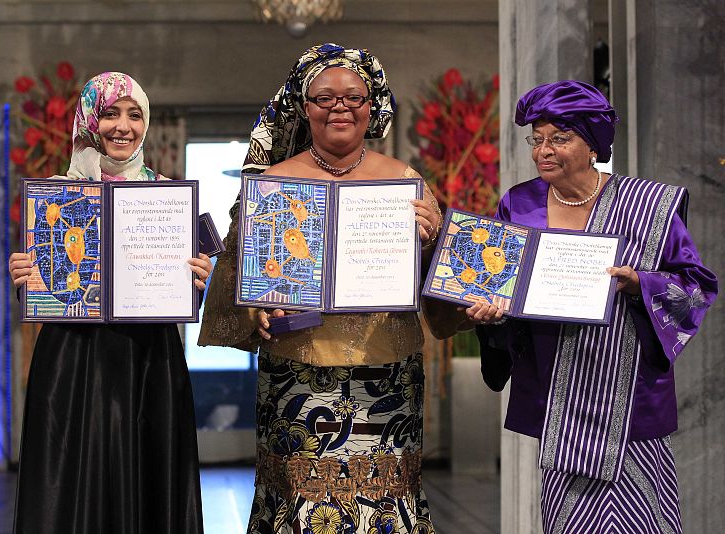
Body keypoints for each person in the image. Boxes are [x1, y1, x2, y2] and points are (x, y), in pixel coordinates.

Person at [198, 43, 462, 533]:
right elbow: (236, 287)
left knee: (384, 502)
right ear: (303, 107)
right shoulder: (272, 185)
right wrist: (258, 312)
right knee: (299, 503)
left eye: (353, 97)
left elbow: (444, 286)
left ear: (372, 106)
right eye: (324, 98)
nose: (340, 107)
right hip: (297, 375)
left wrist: (433, 241)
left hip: (387, 377)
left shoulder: (406, 181)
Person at [465, 80, 717, 533]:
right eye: (537, 139)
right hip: (557, 394)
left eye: (559, 138)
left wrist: (641, 282)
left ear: (592, 144)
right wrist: (492, 312)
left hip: (628, 397)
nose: (544, 150)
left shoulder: (650, 205)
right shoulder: (518, 203)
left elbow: (695, 287)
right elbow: (498, 283)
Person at [8, 72, 210, 534]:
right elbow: (47, 287)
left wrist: (195, 278)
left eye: (134, 114)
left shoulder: (168, 198)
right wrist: (25, 278)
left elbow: (192, 280)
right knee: (72, 481)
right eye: (110, 113)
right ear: (89, 122)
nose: (123, 126)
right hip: (73, 362)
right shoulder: (57, 194)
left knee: (148, 479)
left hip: (148, 362)